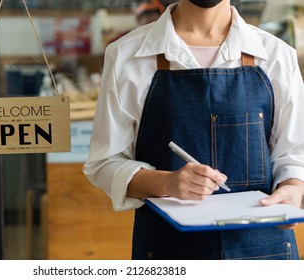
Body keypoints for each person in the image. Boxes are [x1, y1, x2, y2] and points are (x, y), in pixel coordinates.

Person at [83, 0, 304, 260]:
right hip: (169, 251)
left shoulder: (277, 55)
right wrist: (167, 182)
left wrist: (292, 188)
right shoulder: (126, 56)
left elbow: (295, 154)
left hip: (265, 252)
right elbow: (104, 163)